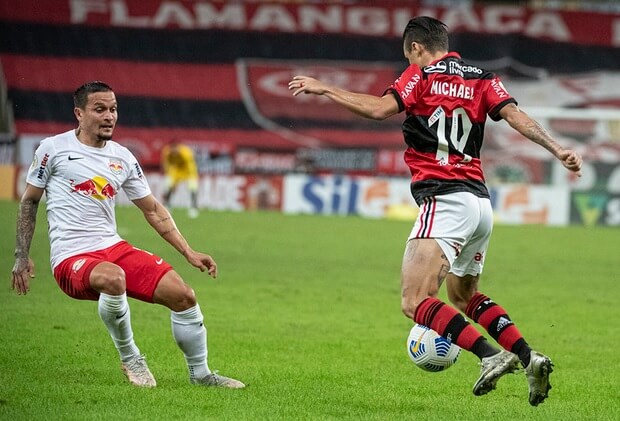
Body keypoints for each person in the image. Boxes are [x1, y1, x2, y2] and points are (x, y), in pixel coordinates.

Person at [289, 16, 582, 406]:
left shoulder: (420, 75)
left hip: (444, 198)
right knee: (462, 297)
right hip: (479, 204)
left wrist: (325, 88)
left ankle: (492, 356)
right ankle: (531, 358)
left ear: (415, 48)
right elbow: (515, 115)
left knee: (415, 300)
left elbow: (379, 110)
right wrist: (557, 148)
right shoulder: (482, 77)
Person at [11, 81, 245, 389]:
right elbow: (29, 200)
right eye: (100, 109)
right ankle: (131, 357)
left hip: (113, 247)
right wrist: (21, 255)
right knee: (114, 278)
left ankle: (201, 375)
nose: (109, 116)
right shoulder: (52, 149)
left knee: (184, 295)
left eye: (113, 109)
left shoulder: (122, 157)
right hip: (71, 256)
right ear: (79, 114)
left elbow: (153, 210)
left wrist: (189, 252)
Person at [161, 140, 200, 218]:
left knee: (192, 187)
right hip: (177, 169)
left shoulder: (186, 152)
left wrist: (192, 177)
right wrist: (167, 173)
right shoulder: (167, 152)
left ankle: (194, 208)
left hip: (188, 170)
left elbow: (191, 165)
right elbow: (166, 164)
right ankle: (166, 206)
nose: (174, 152)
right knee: (169, 185)